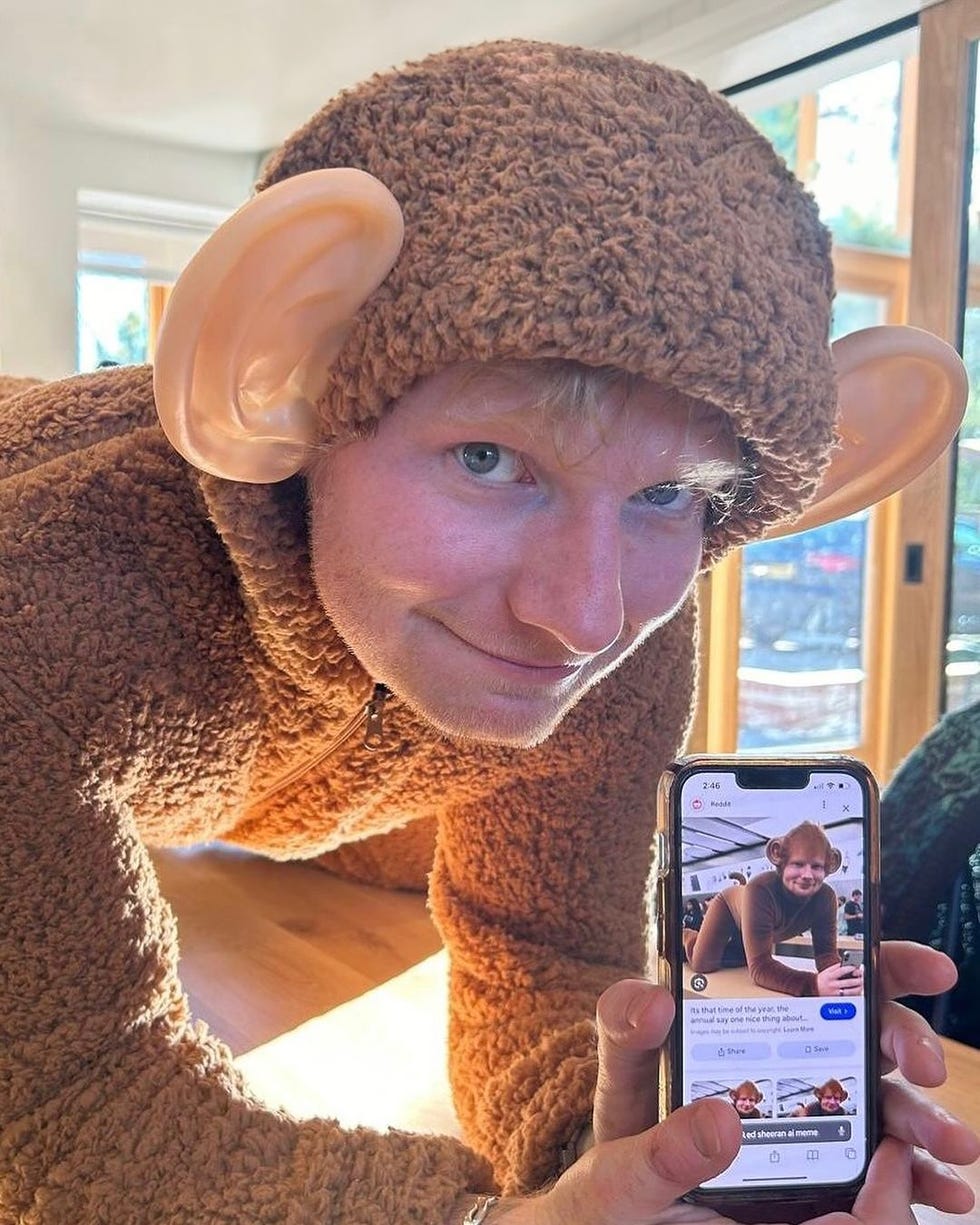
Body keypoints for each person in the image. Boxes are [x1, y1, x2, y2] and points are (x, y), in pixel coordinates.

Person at [1, 39, 976, 1225]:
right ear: (290, 391)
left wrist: (619, 1142)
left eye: (667, 494)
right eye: (487, 458)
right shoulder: (38, 602)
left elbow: (537, 945)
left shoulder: (617, 629)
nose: (582, 616)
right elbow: (69, 1115)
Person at [683, 821, 862, 997]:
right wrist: (813, 985)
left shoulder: (825, 897)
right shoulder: (761, 889)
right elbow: (760, 967)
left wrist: (840, 977)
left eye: (816, 866)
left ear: (829, 867)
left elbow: (825, 954)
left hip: (754, 918)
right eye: (798, 864)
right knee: (703, 964)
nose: (807, 875)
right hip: (729, 907)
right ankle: (685, 935)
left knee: (739, 961)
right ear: (780, 861)